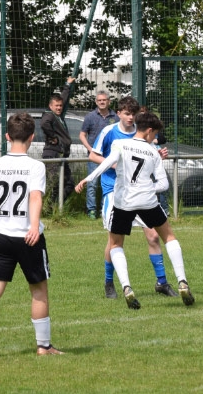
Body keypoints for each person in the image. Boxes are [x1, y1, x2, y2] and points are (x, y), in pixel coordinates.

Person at [75, 110, 194, 309]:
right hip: (148, 201)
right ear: (148, 131)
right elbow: (163, 184)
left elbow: (107, 162)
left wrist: (89, 178)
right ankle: (182, 281)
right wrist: (147, 188)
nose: (154, 137)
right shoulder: (152, 152)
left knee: (115, 244)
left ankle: (127, 287)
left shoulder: (120, 144)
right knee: (169, 237)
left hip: (124, 202)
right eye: (155, 134)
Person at [0, 112, 63, 358]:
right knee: (39, 290)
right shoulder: (35, 166)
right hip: (27, 236)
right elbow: (35, 196)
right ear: (32, 137)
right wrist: (34, 226)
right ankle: (43, 346)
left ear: (7, 137)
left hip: (0, 236)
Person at [91, 96, 177, 299]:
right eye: (127, 114)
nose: (130, 118)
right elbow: (93, 155)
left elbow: (148, 157)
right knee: (115, 240)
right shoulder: (109, 132)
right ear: (119, 113)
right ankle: (109, 282)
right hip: (115, 192)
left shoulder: (142, 133)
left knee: (153, 236)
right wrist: (116, 164)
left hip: (140, 193)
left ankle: (162, 282)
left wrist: (158, 157)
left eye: (133, 114)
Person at [79, 89, 117, 219]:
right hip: (95, 157)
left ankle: (105, 208)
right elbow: (82, 135)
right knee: (92, 183)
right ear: (96, 102)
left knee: (108, 183)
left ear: (109, 101)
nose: (102, 102)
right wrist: (91, 150)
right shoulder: (90, 117)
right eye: (99, 100)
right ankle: (91, 210)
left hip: (110, 156)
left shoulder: (115, 117)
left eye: (104, 100)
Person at [40, 76, 76, 207]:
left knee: (69, 183)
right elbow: (44, 124)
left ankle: (55, 206)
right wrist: (53, 137)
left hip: (61, 154)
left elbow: (63, 99)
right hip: (52, 153)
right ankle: (48, 208)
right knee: (54, 183)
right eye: (56, 106)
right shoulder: (49, 115)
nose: (59, 108)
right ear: (50, 106)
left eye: (60, 106)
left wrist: (67, 85)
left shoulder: (58, 115)